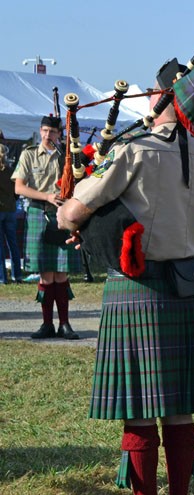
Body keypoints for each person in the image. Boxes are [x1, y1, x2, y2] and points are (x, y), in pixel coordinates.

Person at [57, 59, 194, 495]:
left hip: (140, 288)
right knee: (178, 406)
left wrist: (72, 213)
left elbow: (74, 210)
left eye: (153, 90)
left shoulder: (136, 151)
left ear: (163, 96)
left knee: (141, 407)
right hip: (187, 287)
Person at [12, 115, 82, 339]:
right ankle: (46, 324)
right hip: (38, 213)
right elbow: (19, 188)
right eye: (43, 131)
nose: (46, 135)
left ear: (59, 134)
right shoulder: (29, 154)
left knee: (61, 274)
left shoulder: (67, 157)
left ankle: (64, 324)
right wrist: (47, 196)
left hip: (63, 215)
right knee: (45, 275)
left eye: (51, 132)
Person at [0, 143, 24, 284]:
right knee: (13, 244)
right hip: (11, 210)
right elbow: (17, 191)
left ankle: (3, 277)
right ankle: (17, 275)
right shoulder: (11, 170)